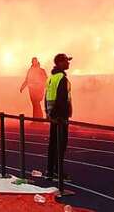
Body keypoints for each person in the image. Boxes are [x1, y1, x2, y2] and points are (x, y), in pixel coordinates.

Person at [45, 53, 73, 182]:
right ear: (60, 63)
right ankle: (58, 172)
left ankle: (50, 171)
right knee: (60, 145)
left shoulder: (51, 78)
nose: (68, 63)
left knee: (53, 144)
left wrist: (49, 114)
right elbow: (62, 99)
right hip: (60, 117)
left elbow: (47, 97)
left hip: (53, 116)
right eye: (67, 61)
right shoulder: (61, 78)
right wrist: (61, 116)